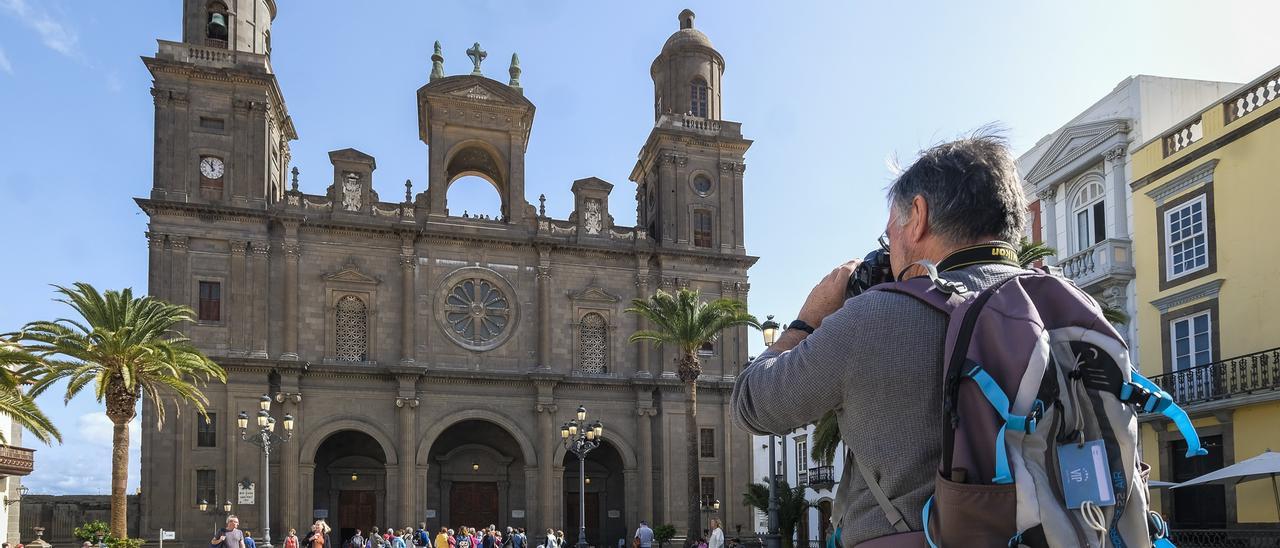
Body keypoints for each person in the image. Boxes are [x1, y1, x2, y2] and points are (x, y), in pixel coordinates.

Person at [731, 132, 1029, 547]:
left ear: (918, 215)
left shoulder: (874, 318)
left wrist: (806, 320)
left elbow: (751, 403)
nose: (888, 254)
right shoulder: (1072, 307)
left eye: (890, 236)